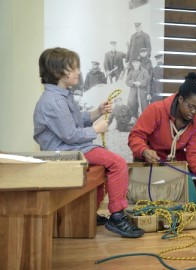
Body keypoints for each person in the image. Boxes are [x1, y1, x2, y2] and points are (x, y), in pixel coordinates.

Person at [33, 47, 144, 238]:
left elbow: (76, 119)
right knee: (117, 163)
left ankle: (89, 214)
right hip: (65, 150)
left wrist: (97, 112)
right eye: (74, 68)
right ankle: (117, 216)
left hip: (71, 147)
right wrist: (95, 129)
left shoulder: (62, 95)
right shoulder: (54, 101)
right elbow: (70, 135)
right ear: (59, 72)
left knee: (104, 167)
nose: (78, 72)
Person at [128, 72, 196, 184]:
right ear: (181, 99)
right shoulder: (156, 110)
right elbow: (135, 136)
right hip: (148, 165)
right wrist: (144, 151)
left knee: (189, 199)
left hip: (176, 169)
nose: (194, 112)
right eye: (190, 106)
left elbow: (193, 153)